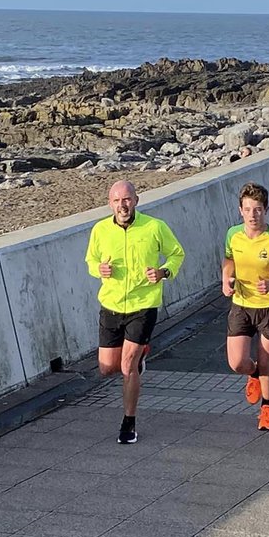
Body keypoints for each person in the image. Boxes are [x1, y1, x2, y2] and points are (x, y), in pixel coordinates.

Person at [85, 180, 185, 444]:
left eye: (127, 199)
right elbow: (90, 260)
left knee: (127, 366)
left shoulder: (154, 227)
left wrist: (163, 272)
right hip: (111, 305)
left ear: (136, 201)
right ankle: (140, 358)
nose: (123, 205)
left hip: (144, 304)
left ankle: (128, 423)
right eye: (117, 201)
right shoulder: (100, 230)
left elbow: (177, 254)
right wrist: (98, 269)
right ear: (110, 204)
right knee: (108, 367)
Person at [222, 182, 269, 432]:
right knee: (237, 363)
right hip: (241, 304)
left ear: (266, 209)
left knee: (267, 360)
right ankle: (252, 374)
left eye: (257, 209)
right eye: (247, 209)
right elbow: (229, 259)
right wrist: (226, 279)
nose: (252, 215)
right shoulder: (233, 235)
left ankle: (268, 407)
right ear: (240, 211)